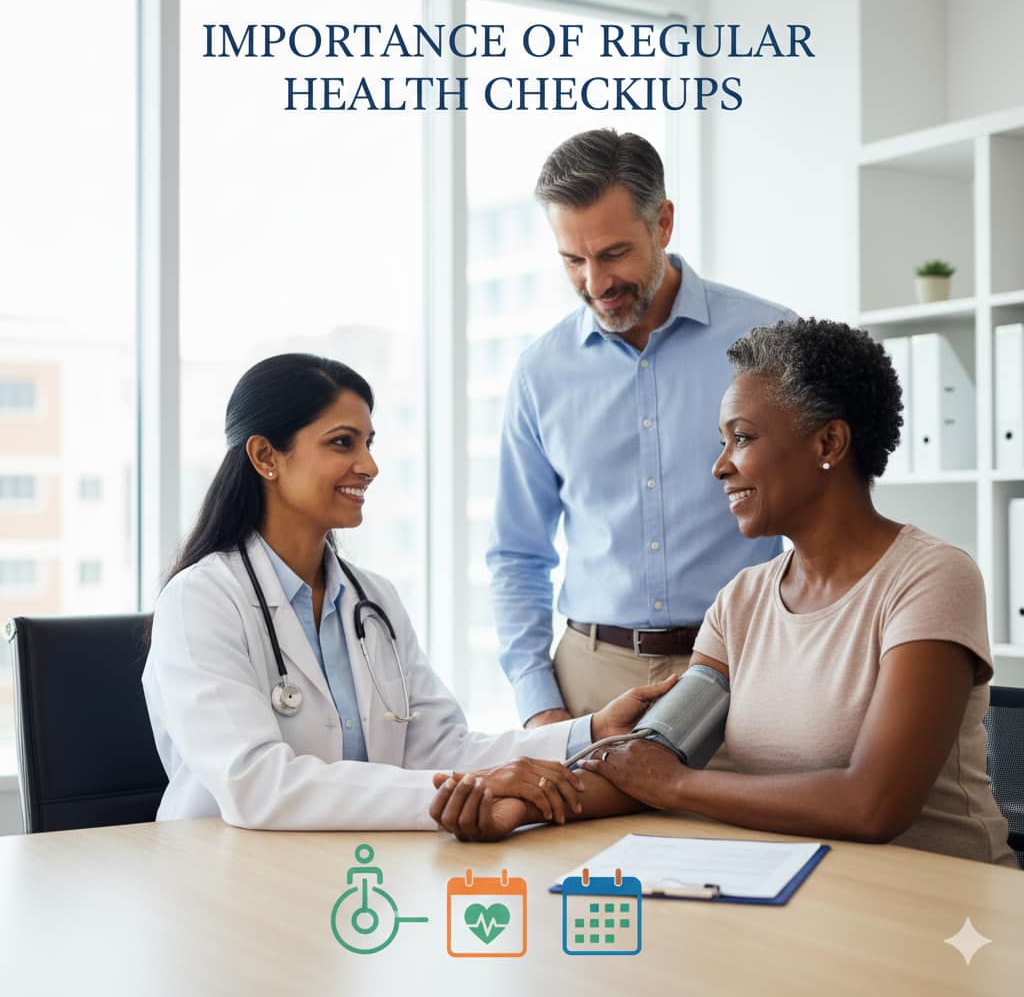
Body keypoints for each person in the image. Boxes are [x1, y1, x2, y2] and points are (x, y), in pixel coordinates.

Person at [433, 318, 1017, 868]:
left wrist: (678, 786)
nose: (719, 467)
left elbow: (874, 804)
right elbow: (656, 757)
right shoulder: (741, 601)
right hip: (810, 895)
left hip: (944, 906)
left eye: (741, 438)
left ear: (828, 443)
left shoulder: (930, 579)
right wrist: (517, 805)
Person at [142, 354, 676, 831]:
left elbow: (442, 748)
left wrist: (590, 731)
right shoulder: (201, 600)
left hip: (349, 869)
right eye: (341, 443)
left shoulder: (373, 600)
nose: (369, 466)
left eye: (368, 444)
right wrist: (470, 788)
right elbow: (257, 787)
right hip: (223, 876)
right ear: (265, 457)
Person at [489, 128, 793, 736]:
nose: (595, 283)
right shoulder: (540, 371)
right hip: (588, 686)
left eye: (613, 253)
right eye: (573, 261)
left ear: (664, 224)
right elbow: (518, 554)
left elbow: (822, 516)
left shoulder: (772, 341)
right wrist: (539, 704)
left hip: (746, 669)